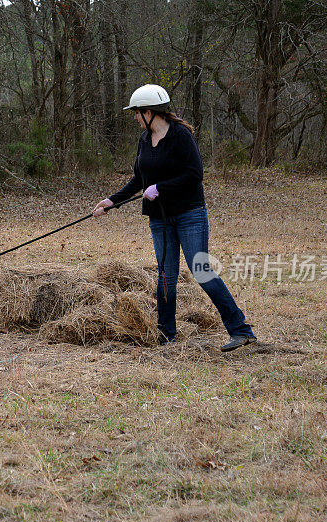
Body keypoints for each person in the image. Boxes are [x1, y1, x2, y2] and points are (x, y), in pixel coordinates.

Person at [93, 83, 256, 352]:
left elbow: (195, 174)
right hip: (159, 219)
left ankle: (241, 330)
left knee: (201, 272)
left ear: (150, 112)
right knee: (166, 277)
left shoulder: (180, 135)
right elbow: (139, 179)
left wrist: (162, 187)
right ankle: (166, 336)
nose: (135, 117)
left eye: (137, 112)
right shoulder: (145, 139)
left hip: (190, 214)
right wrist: (112, 201)